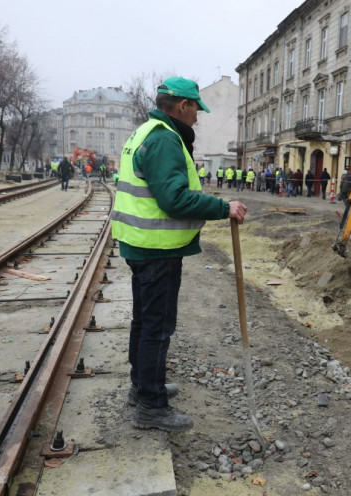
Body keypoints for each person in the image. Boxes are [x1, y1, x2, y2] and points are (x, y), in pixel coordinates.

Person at [110, 76, 247, 432]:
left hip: (141, 244)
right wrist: (223, 207)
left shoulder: (145, 132)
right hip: (156, 249)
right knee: (157, 326)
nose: (198, 117)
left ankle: (142, 386)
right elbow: (173, 199)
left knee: (144, 321)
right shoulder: (165, 139)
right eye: (196, 109)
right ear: (183, 106)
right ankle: (151, 406)